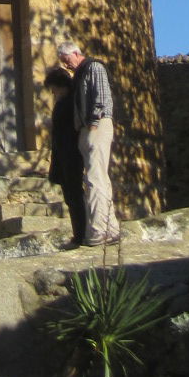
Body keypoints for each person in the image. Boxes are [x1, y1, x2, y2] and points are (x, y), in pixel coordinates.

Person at [57, 39, 120, 246]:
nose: (66, 65)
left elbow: (101, 97)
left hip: (96, 127)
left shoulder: (94, 67)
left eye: (66, 60)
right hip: (87, 129)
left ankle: (98, 232)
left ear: (75, 53)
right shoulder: (81, 73)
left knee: (94, 179)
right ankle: (111, 229)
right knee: (100, 178)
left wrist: (92, 124)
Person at [43, 66, 84, 246]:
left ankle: (81, 234)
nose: (52, 92)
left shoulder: (69, 103)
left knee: (74, 196)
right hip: (65, 155)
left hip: (71, 155)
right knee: (72, 196)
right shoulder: (67, 103)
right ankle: (80, 233)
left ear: (60, 86)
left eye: (53, 88)